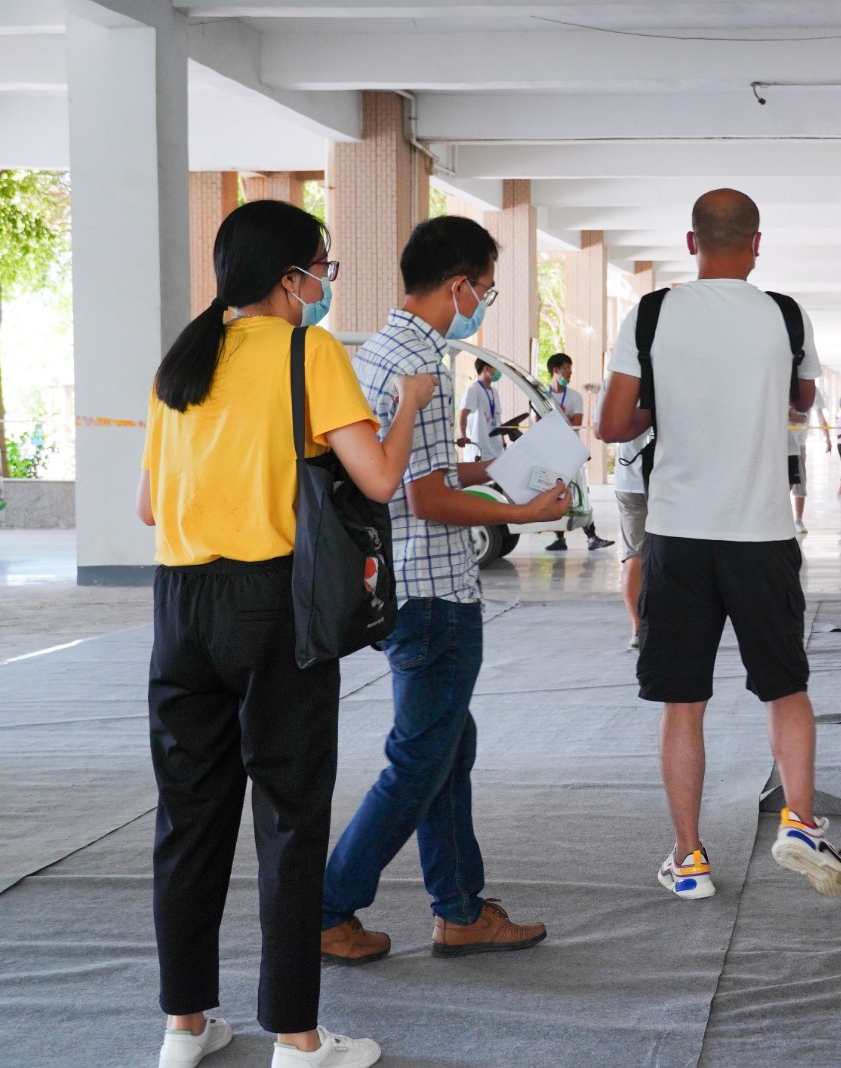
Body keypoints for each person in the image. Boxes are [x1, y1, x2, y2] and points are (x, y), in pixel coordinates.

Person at [139, 199, 435, 1068]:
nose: (324, 286)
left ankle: (184, 1026)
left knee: (187, 818)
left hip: (178, 607)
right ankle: (297, 1038)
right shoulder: (309, 352)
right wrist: (410, 405)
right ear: (291, 277)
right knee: (290, 817)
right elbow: (377, 480)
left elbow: (150, 505)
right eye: (323, 269)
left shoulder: (182, 361)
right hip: (273, 605)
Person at [319, 216, 570, 973]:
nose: (483, 303)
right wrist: (522, 512)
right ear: (458, 284)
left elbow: (411, 474)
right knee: (420, 761)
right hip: (431, 589)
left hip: (402, 583)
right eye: (485, 289)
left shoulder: (380, 352)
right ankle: (327, 909)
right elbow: (424, 499)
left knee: (448, 749)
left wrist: (496, 470)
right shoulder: (420, 368)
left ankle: (460, 909)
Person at [597, 187, 841, 901]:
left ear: (691, 243)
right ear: (757, 243)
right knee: (786, 687)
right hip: (762, 532)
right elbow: (803, 399)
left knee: (683, 703)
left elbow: (612, 424)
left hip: (678, 533)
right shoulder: (785, 314)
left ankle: (689, 861)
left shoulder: (652, 312)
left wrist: (666, 402)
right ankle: (799, 820)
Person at [542, 352, 614, 552]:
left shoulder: (575, 397)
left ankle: (591, 537)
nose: (570, 372)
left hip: (571, 453)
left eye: (570, 368)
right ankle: (559, 538)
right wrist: (561, 423)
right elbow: (539, 425)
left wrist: (554, 422)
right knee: (555, 494)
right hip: (550, 454)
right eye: (566, 368)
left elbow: (576, 423)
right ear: (555, 370)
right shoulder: (542, 397)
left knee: (581, 494)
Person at [610, 428, 653, 649]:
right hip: (670, 480)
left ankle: (638, 629)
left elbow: (604, 431)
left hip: (629, 480)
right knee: (677, 551)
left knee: (633, 555)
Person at [788, 386, 832, 533]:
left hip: (798, 443)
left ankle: (798, 520)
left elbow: (819, 416)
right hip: (779, 442)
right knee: (781, 483)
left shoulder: (812, 389)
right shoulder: (781, 382)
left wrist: (827, 438)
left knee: (799, 483)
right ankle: (782, 518)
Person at [455, 357, 501, 461]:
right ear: (486, 369)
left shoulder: (494, 392)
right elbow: (463, 413)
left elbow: (497, 417)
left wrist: (502, 440)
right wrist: (462, 435)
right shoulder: (473, 389)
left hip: (496, 449)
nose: (498, 372)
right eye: (495, 368)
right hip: (480, 449)